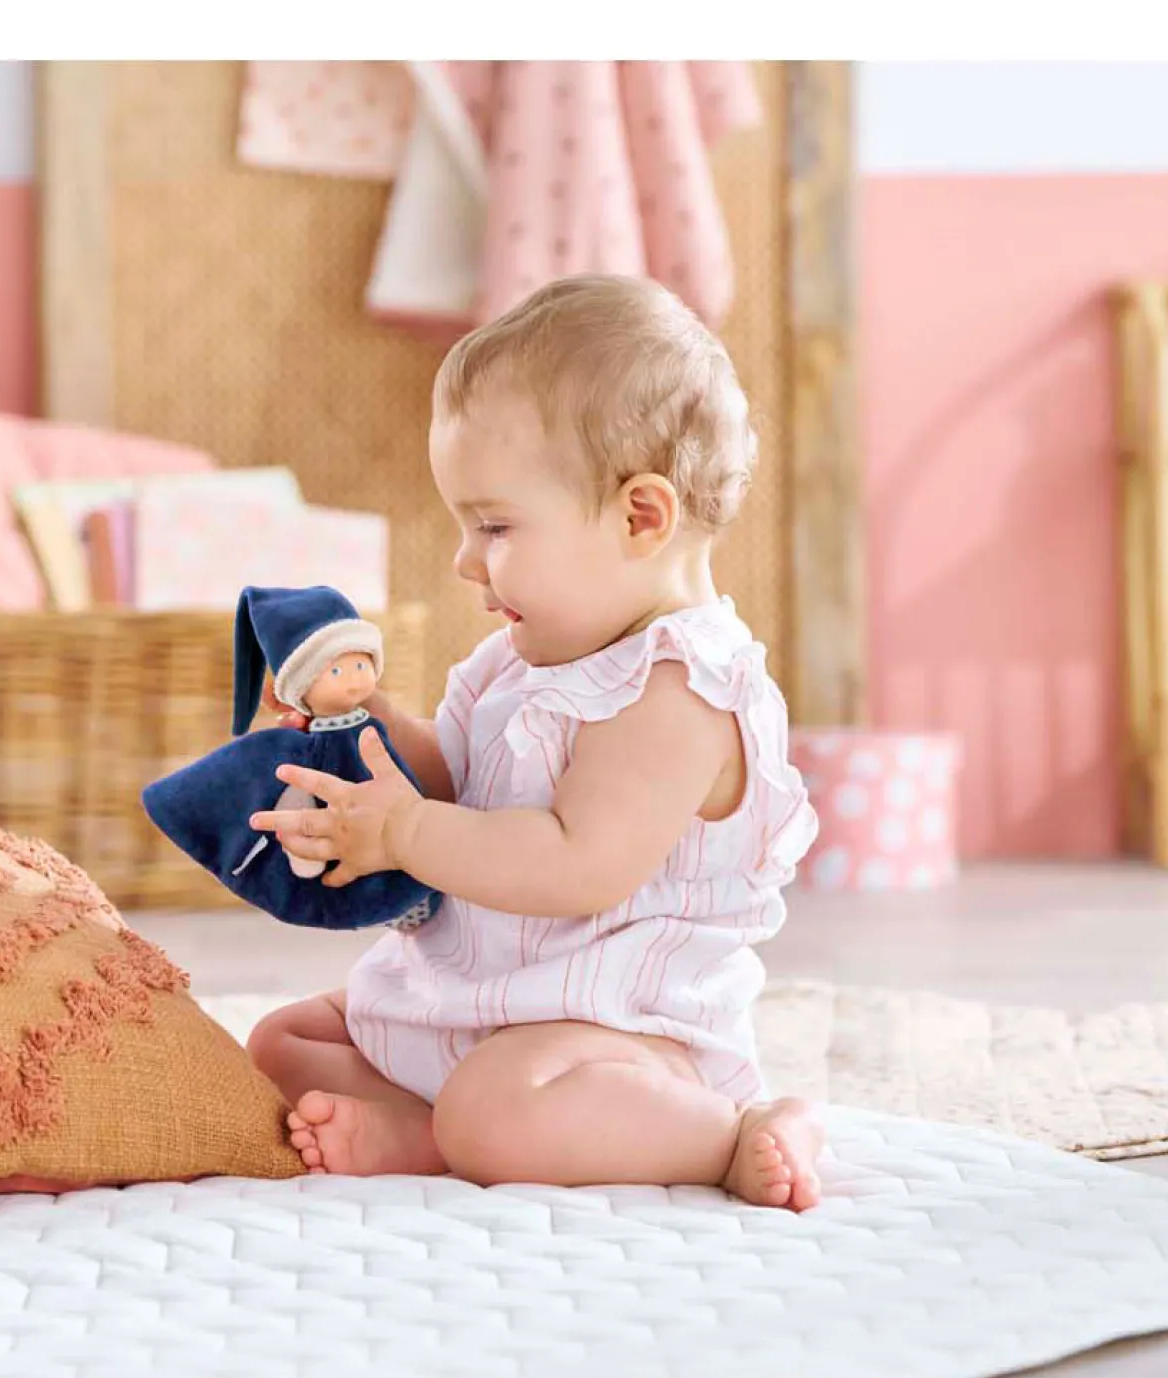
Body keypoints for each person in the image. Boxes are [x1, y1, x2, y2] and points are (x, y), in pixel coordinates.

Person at [247, 274, 823, 1209]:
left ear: (640, 517)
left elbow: (574, 864)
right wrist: (364, 722)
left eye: (495, 526)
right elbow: (456, 781)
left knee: (498, 1106)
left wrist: (404, 835)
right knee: (284, 1045)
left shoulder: (678, 688)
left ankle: (728, 1131)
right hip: (481, 1000)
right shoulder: (520, 658)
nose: (464, 560)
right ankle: (430, 1130)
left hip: (610, 1033)